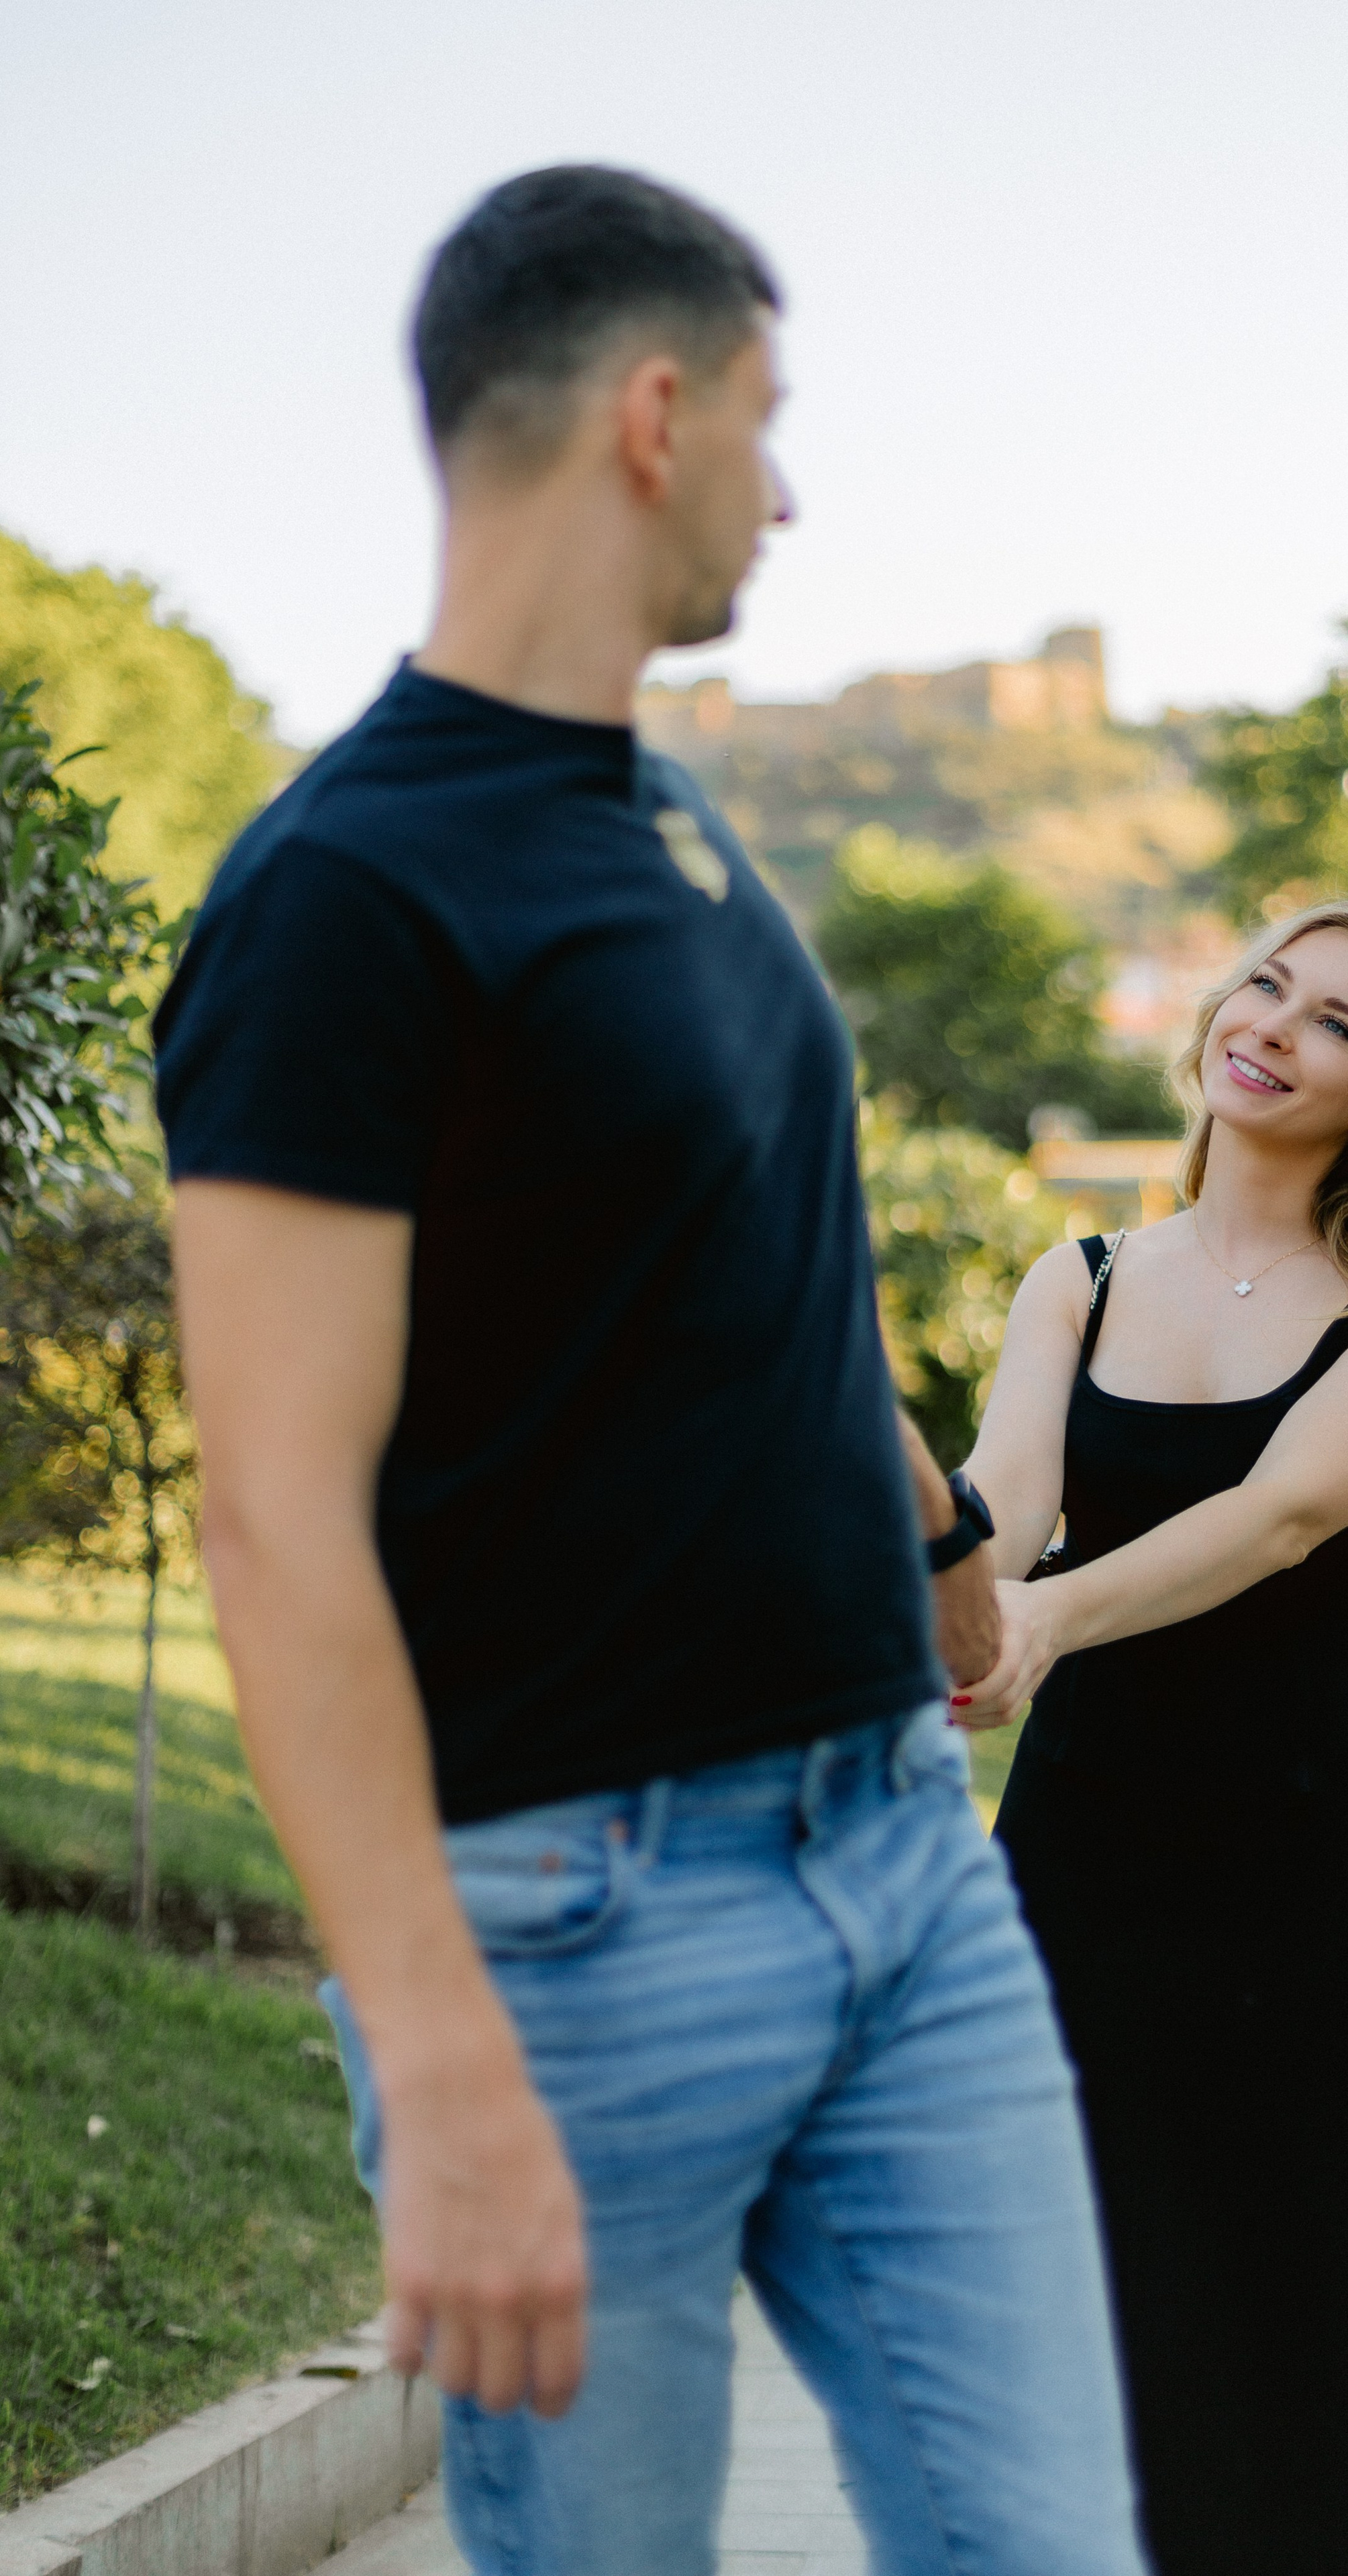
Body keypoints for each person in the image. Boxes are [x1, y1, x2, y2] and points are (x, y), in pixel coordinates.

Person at [154, 167, 1145, 2576]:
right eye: (770, 426)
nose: (786, 495)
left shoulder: (676, 824)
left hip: (900, 1861)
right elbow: (276, 1519)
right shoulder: (346, 901)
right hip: (581, 1938)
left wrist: (933, 1538)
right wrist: (440, 2059)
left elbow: (756, 1264)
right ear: (655, 408)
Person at [955, 899, 1348, 2576]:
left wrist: (1041, 1617)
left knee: (1305, 2366)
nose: (1271, 1024)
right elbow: (1005, 1510)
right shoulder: (1082, 1276)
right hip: (1078, 1876)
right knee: (1079, 2344)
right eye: (1266, 984)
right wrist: (936, 1574)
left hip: (1312, 1890)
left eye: (1334, 1022)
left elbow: (1274, 1520)